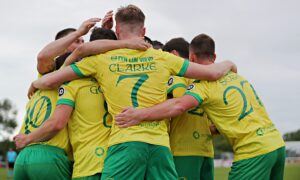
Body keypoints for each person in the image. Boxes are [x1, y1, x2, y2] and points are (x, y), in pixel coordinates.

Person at [27, 5, 236, 179]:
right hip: (160, 145)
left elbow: (53, 77)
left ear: (117, 31)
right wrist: (229, 63)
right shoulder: (163, 57)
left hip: (125, 142)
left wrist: (37, 83)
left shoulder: (100, 60)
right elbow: (211, 74)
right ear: (143, 31)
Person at [115, 34, 286, 180]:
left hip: (252, 151)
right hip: (276, 144)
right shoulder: (237, 77)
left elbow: (178, 105)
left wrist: (140, 114)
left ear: (192, 58)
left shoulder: (202, 84)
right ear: (214, 55)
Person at [14, 25, 149, 179]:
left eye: (84, 41)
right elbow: (57, 122)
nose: (82, 45)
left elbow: (92, 53)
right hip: (58, 155)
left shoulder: (50, 80)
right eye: (77, 41)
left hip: (28, 155)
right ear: (62, 46)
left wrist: (103, 33)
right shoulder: (66, 77)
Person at [163, 37, 214, 180]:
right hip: (206, 149)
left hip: (183, 150)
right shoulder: (205, 77)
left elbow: (179, 101)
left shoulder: (178, 77)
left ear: (173, 55)